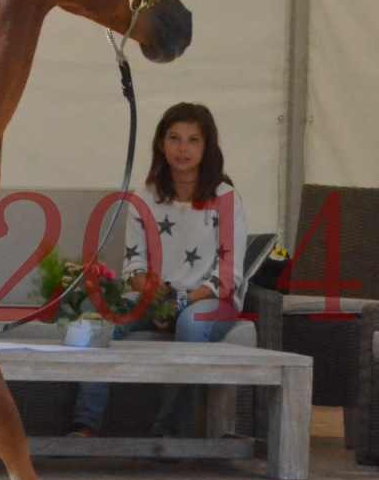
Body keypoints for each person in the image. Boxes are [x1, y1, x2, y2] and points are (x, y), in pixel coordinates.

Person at [70, 102, 247, 437]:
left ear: (207, 147)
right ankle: (85, 424)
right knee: (98, 321)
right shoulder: (146, 197)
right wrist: (156, 298)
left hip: (209, 300)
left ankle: (168, 433)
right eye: (174, 138)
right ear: (161, 145)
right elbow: (133, 265)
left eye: (193, 140)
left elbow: (228, 275)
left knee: (192, 325)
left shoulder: (226, 198)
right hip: (154, 295)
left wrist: (182, 302)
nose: (183, 149)